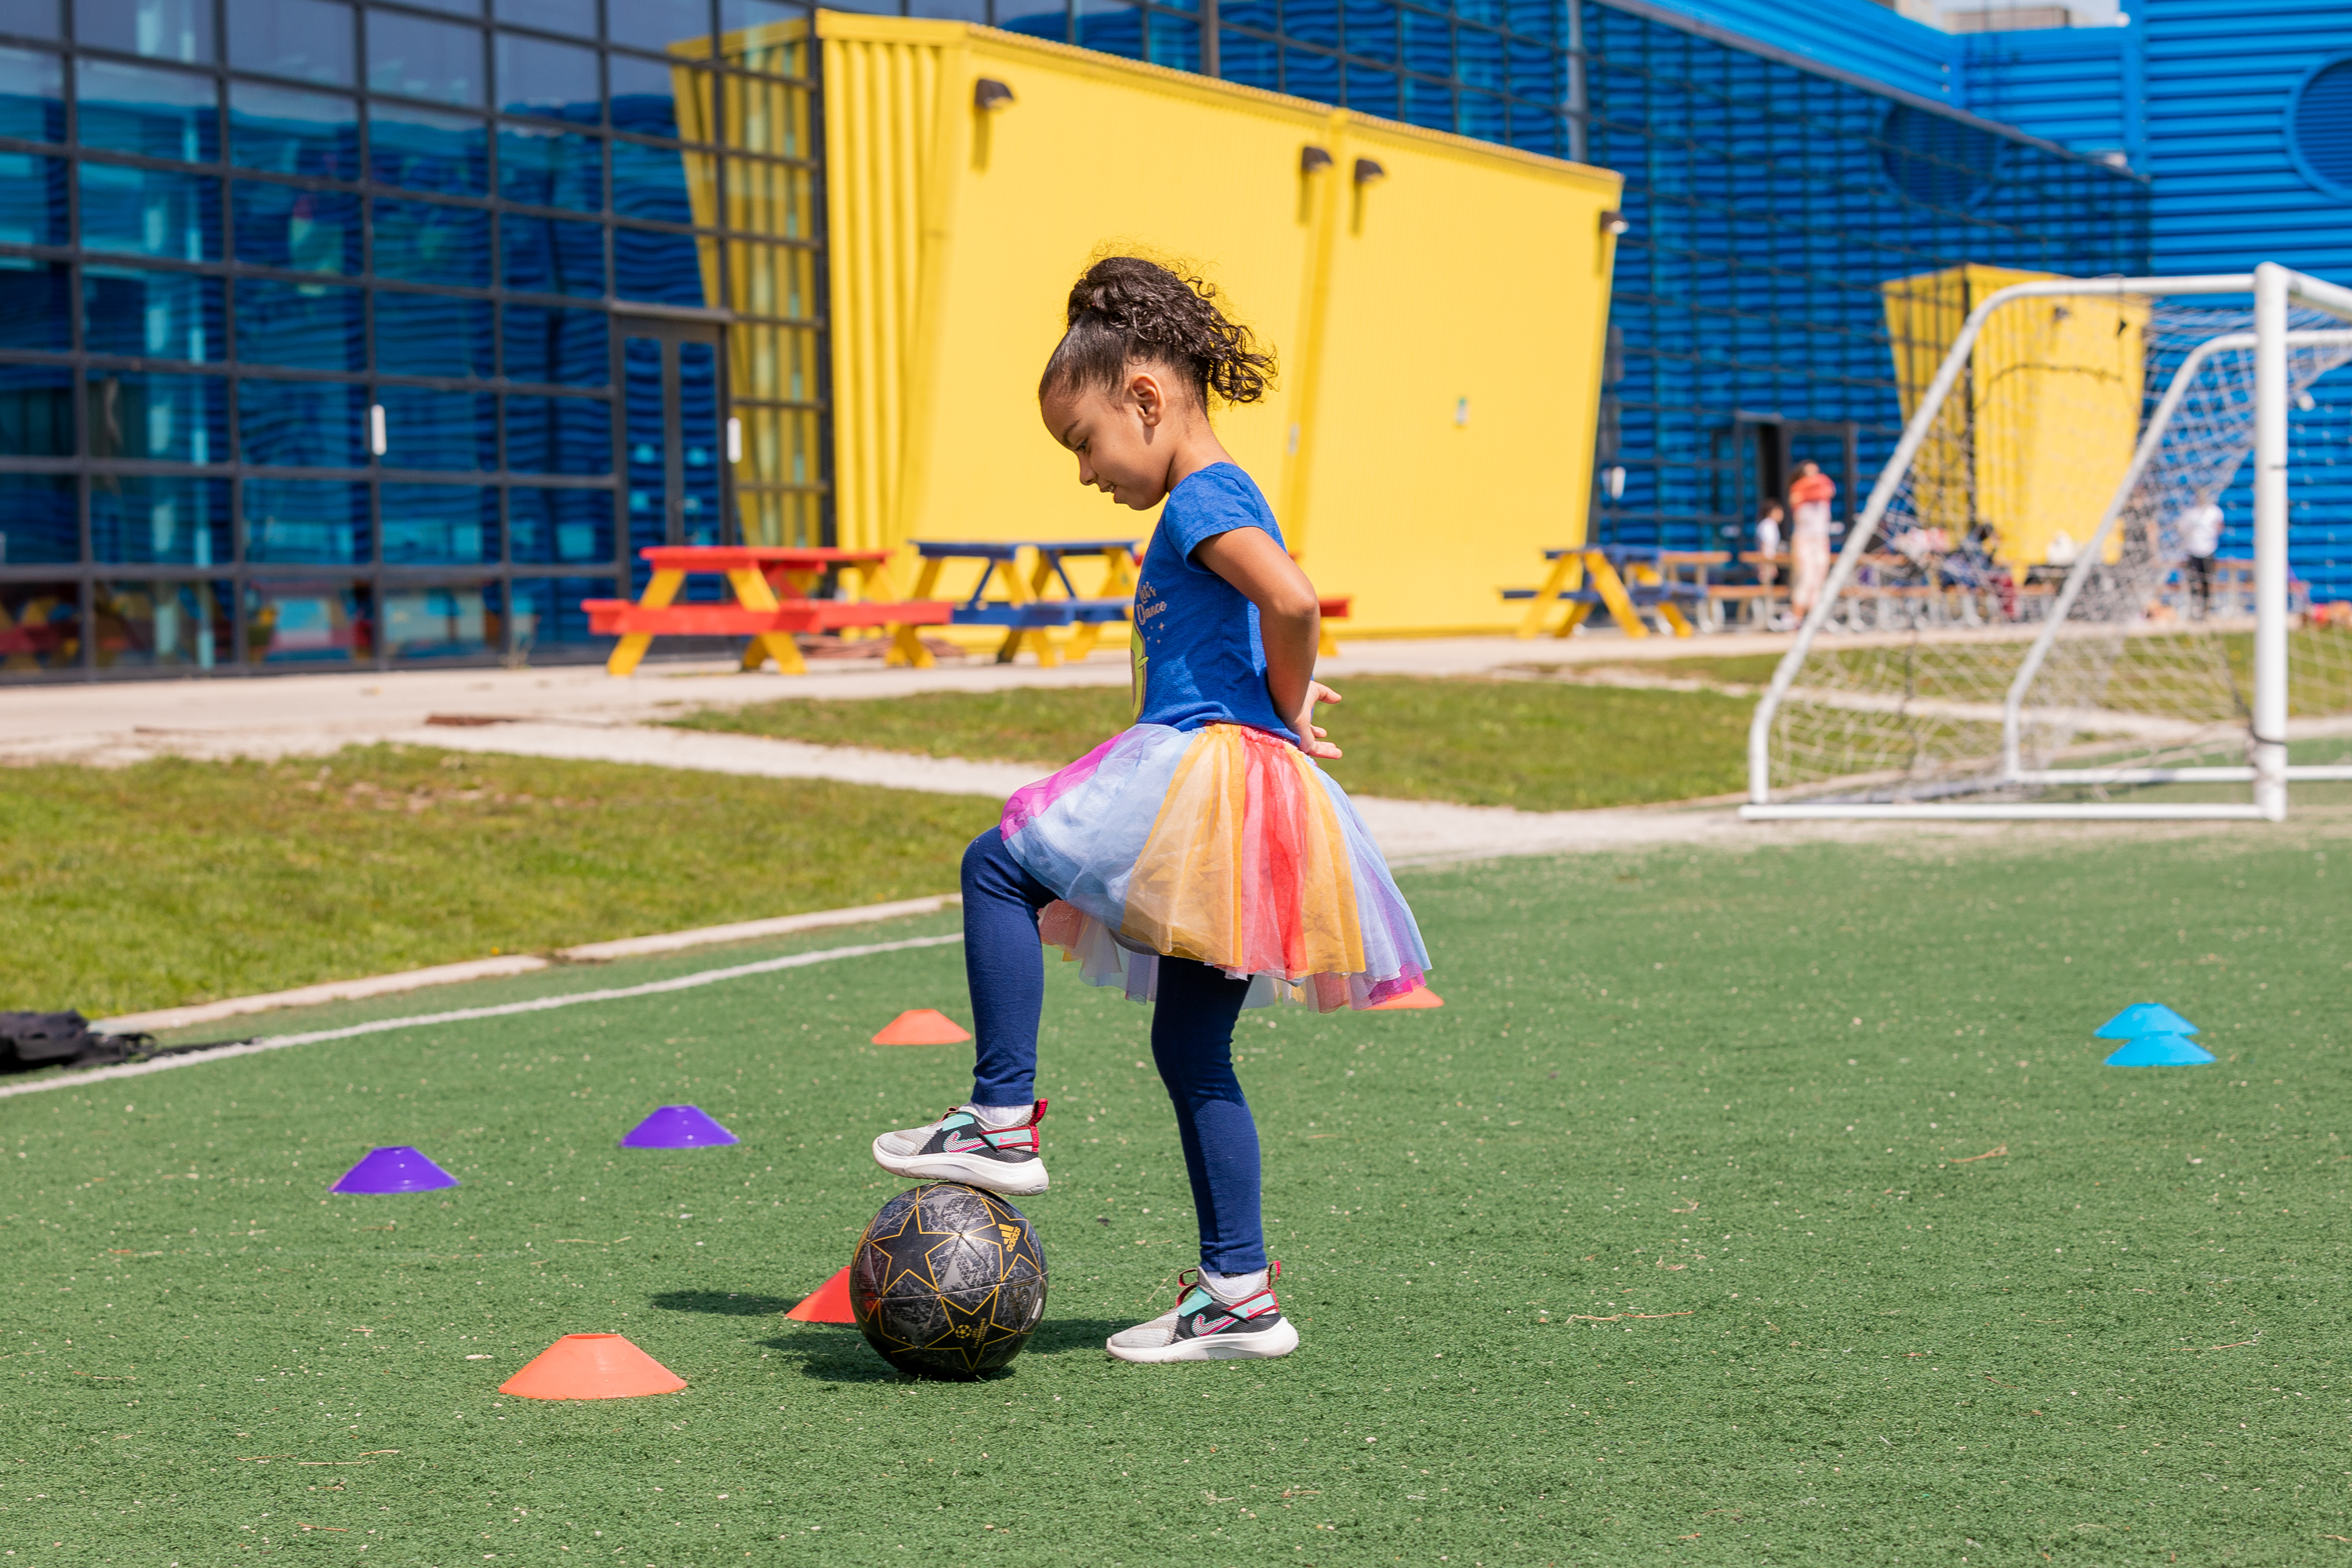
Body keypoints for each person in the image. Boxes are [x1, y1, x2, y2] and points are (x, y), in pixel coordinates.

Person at [868, 256, 1430, 1365]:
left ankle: (1000, 1116)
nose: (1084, 472)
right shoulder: (1212, 496)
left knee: (1000, 865)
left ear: (1145, 397)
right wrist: (1278, 699)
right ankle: (1237, 1296)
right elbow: (1253, 624)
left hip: (1207, 781)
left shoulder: (1203, 496)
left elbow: (1293, 599)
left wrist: (1274, 700)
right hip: (1241, 806)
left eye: (1084, 442)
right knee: (1192, 1049)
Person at [1786, 460, 1837, 627]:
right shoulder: (1797, 491)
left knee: (1818, 580)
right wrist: (1811, 486)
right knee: (1806, 578)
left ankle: (1815, 621)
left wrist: (1815, 486)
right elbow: (1797, 496)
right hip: (1804, 540)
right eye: (1809, 474)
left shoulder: (1822, 490)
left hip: (1820, 540)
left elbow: (1829, 489)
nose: (1815, 477)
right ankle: (1797, 619)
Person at [2180, 498, 2223, 618]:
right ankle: (2195, 607)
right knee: (2193, 581)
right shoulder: (2190, 513)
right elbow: (2181, 528)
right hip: (2192, 551)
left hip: (2209, 550)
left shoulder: (2214, 511)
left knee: (2207, 581)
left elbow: (2220, 527)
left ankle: (2205, 609)